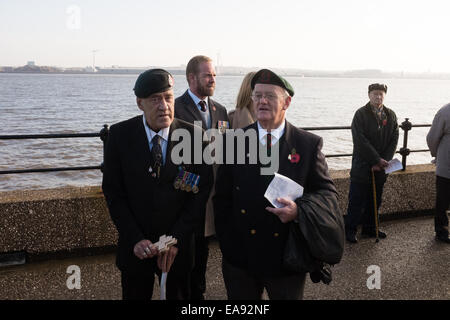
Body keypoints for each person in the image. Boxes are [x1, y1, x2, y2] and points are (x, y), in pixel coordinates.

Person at [213, 69, 344, 300]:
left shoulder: (307, 144)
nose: (262, 101)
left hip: (285, 259)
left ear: (287, 102)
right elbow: (222, 198)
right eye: (257, 95)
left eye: (270, 96)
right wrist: (228, 245)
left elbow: (327, 194)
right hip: (240, 258)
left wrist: (298, 211)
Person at [102, 69, 212, 300]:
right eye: (155, 99)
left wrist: (173, 240)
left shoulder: (194, 137)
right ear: (140, 103)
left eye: (168, 97)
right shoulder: (120, 136)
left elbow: (199, 193)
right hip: (136, 249)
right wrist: (135, 239)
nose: (164, 106)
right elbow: (114, 194)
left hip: (176, 250)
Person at [174, 55, 229, 300]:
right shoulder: (175, 108)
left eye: (214, 75)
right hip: (185, 194)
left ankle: (199, 293)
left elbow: (226, 148)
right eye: (208, 75)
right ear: (192, 77)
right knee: (185, 252)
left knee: (204, 250)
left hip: (212, 195)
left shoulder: (221, 110)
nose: (212, 79)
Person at [345, 83, 399, 243]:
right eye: (375, 94)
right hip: (362, 165)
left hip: (382, 166)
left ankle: (370, 228)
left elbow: (394, 138)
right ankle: (350, 230)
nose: (378, 97)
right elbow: (360, 140)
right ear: (369, 95)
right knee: (356, 200)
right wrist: (375, 159)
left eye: (381, 94)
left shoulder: (391, 115)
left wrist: (384, 161)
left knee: (376, 199)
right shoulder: (360, 114)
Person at [426, 103, 450, 243]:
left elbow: (432, 139)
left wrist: (437, 155)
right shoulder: (444, 112)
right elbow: (432, 138)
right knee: (443, 199)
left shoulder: (445, 111)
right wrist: (438, 156)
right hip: (447, 165)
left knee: (443, 198)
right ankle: (441, 231)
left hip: (445, 162)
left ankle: (442, 231)